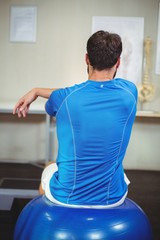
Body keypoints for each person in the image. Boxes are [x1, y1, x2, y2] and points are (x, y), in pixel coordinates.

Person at [13, 30, 137, 208]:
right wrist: (39, 91)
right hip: (113, 198)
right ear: (118, 62)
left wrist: (37, 91)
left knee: (50, 165)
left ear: (87, 59)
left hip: (66, 198)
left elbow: (64, 95)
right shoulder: (130, 92)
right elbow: (88, 91)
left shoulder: (64, 98)